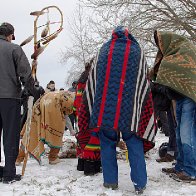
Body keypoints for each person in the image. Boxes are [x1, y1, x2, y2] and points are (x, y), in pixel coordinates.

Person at [89, 26, 157, 194]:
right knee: (134, 143)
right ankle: (140, 184)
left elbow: (94, 79)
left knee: (107, 143)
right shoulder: (137, 51)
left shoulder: (104, 50)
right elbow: (144, 80)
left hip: (106, 109)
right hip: (130, 110)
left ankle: (110, 183)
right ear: (129, 36)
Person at [152, 30, 196, 182]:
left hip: (190, 97)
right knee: (177, 133)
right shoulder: (171, 55)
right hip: (178, 98)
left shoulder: (185, 51)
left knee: (186, 134)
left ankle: (191, 171)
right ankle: (180, 166)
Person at [0, 22, 36, 183]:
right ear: (10, 35)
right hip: (9, 98)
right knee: (10, 136)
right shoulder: (14, 49)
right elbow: (26, 75)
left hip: (8, 97)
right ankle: (8, 173)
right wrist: (33, 90)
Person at [16, 91, 75, 165]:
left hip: (39, 106)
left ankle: (19, 158)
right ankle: (53, 157)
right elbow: (66, 116)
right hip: (53, 107)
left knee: (32, 134)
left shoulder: (61, 94)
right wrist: (71, 129)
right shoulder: (70, 100)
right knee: (57, 133)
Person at [74, 58, 101, 176]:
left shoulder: (82, 78)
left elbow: (78, 98)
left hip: (80, 112)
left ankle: (81, 164)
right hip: (90, 113)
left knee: (82, 138)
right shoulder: (94, 78)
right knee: (93, 140)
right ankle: (91, 167)